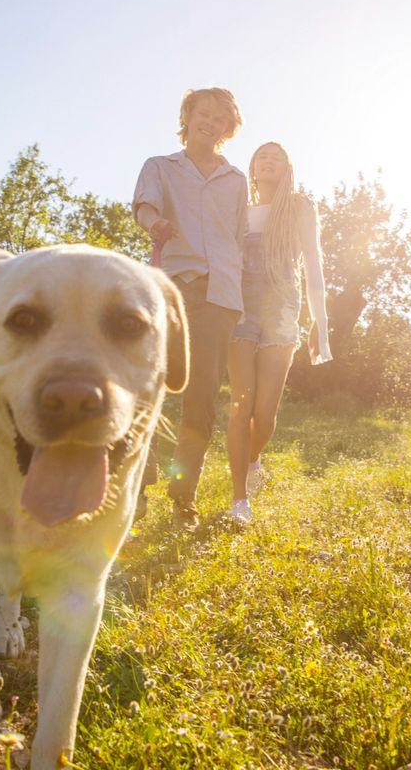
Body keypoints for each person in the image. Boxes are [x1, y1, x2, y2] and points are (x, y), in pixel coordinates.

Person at [132, 87, 248, 531]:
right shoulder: (160, 167)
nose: (210, 122)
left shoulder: (236, 180)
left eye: (220, 118)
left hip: (220, 297)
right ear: (188, 116)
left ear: (228, 128)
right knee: (150, 387)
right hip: (171, 289)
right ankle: (139, 486)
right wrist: (155, 223)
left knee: (201, 400)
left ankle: (184, 497)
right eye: (204, 113)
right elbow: (144, 207)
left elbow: (237, 239)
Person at [226, 142, 332, 525]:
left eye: (276, 156)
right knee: (241, 408)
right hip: (239, 310)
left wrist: (321, 321)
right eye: (261, 156)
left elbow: (314, 262)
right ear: (253, 168)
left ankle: (254, 460)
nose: (267, 160)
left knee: (265, 415)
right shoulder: (239, 209)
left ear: (287, 168)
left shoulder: (299, 206)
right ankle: (239, 500)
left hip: (282, 310)